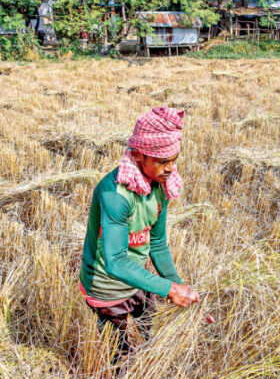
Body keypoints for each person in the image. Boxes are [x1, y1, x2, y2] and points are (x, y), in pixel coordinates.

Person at [79, 106, 210, 359]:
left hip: (136, 275)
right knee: (120, 355)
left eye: (174, 159)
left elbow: (158, 243)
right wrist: (169, 290)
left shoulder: (162, 184)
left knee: (149, 335)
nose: (171, 168)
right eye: (163, 161)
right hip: (107, 286)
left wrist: (184, 293)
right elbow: (116, 262)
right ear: (139, 155)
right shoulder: (115, 195)